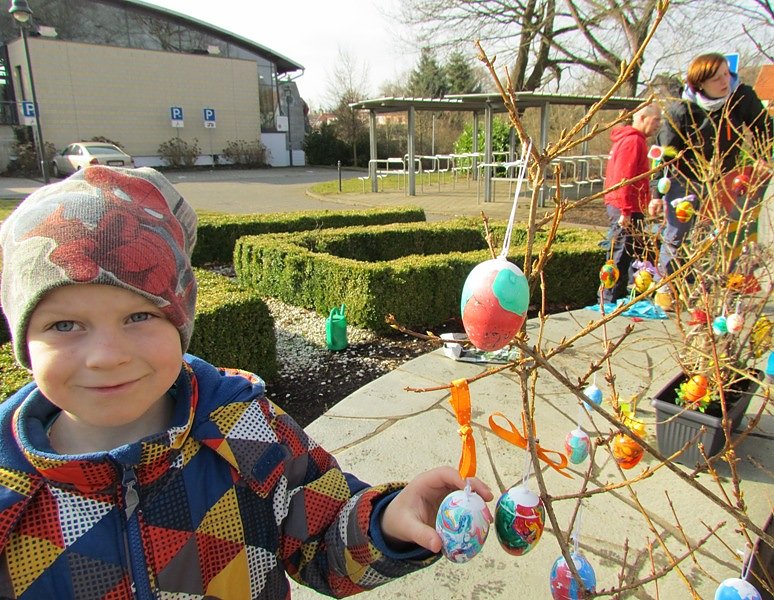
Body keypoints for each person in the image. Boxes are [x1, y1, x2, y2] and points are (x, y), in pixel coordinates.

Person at [0, 166, 493, 599]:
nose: (107, 356)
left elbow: (320, 536)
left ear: (180, 321)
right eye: (65, 325)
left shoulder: (244, 428)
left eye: (138, 316)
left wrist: (387, 522)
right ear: (23, 340)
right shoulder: (10, 496)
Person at [651, 52, 773, 280]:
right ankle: (666, 284)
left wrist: (762, 156)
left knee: (716, 234)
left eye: (726, 74)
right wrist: (657, 193)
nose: (725, 82)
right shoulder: (682, 109)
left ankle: (709, 284)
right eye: (717, 79)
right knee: (677, 233)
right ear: (700, 84)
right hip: (685, 179)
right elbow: (664, 152)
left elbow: (764, 127)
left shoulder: (741, 98)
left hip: (723, 178)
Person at [602, 103, 663, 303]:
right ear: (643, 118)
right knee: (620, 251)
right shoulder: (633, 141)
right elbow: (624, 177)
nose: (658, 124)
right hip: (625, 206)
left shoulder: (634, 140)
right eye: (656, 119)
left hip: (628, 205)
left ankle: (622, 294)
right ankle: (608, 298)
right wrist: (625, 210)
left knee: (629, 251)